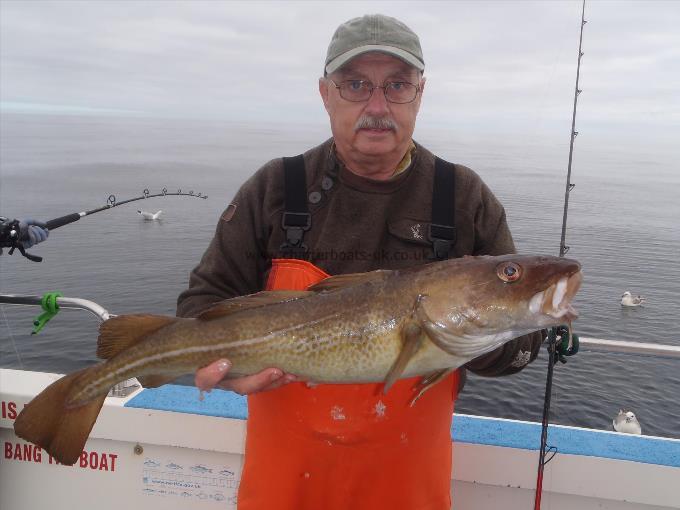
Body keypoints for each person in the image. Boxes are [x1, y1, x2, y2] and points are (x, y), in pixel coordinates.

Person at [177, 14, 543, 510]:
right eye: (355, 85)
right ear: (325, 94)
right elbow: (201, 307)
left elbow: (521, 349)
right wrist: (219, 369)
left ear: (420, 93)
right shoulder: (276, 189)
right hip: (285, 486)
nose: (377, 106)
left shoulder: (463, 199)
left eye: (397, 85)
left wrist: (467, 331)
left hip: (406, 486)